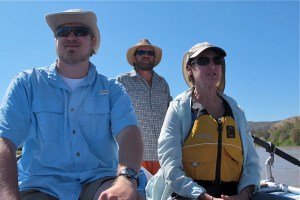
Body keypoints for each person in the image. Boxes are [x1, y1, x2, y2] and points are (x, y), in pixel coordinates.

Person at [0, 9, 144, 200]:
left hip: (99, 181)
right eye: (62, 32)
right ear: (56, 41)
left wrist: (126, 180)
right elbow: (5, 141)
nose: (71, 36)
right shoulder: (26, 83)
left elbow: (129, 134)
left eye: (80, 31)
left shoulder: (112, 89)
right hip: (40, 185)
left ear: (93, 41)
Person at [146, 42, 288, 200]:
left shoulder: (236, 110)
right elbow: (170, 167)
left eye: (217, 60)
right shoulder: (178, 109)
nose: (212, 65)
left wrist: (244, 194)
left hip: (235, 195)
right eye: (203, 61)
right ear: (189, 69)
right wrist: (202, 196)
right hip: (190, 195)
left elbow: (251, 163)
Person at [117, 39, 172, 176]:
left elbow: (171, 115)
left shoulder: (163, 83)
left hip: (162, 155)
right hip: (133, 155)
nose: (146, 55)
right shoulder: (122, 81)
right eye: (141, 52)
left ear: (154, 58)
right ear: (135, 57)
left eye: (150, 53)